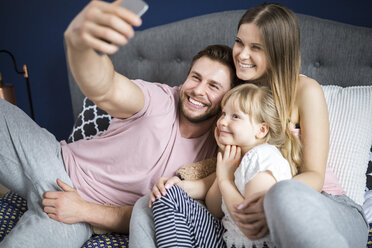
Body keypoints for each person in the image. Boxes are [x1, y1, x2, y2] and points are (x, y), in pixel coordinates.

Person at [0, 1, 238, 248]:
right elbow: (105, 88)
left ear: (229, 99)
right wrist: (83, 48)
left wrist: (83, 211)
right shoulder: (159, 99)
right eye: (195, 77)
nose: (198, 91)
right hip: (53, 161)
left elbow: (147, 212)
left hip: (76, 217)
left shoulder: (217, 154)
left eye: (213, 86)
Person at [130, 3, 369, 248]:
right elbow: (232, 170)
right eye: (239, 42)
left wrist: (266, 200)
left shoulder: (305, 90)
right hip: (247, 212)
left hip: (321, 205)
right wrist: (182, 187)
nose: (242, 55)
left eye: (256, 47)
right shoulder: (234, 99)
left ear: (279, 52)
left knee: (282, 194)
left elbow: (315, 176)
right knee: (148, 203)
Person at [152, 83, 300, 248]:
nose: (222, 122)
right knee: (166, 194)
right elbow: (215, 209)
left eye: (235, 116)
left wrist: (224, 180)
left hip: (252, 244)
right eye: (223, 114)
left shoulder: (261, 157)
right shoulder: (238, 159)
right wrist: (221, 172)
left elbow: (251, 226)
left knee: (167, 197)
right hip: (229, 241)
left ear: (261, 130)